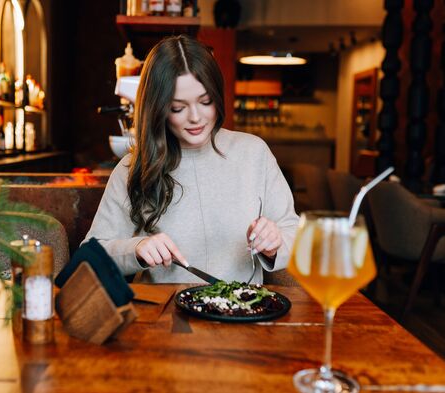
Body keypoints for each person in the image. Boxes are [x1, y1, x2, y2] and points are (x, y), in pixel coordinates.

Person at [83, 35, 299, 284]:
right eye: (178, 108)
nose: (196, 117)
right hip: (165, 316)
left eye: (206, 102)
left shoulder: (254, 153)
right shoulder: (132, 169)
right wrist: (137, 249)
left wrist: (275, 243)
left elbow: (294, 232)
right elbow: (90, 256)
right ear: (158, 108)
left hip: (242, 313)